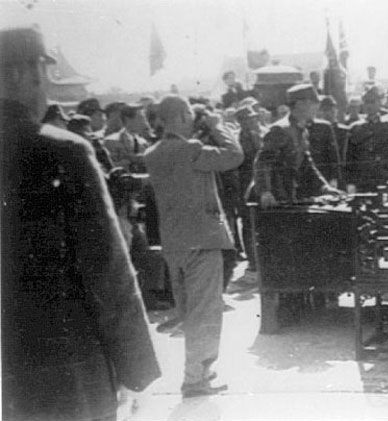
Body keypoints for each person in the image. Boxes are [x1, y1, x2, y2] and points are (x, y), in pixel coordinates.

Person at [1, 26, 160, 421]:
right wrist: (134, 371)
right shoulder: (62, 150)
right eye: (45, 73)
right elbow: (108, 272)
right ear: (21, 74)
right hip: (60, 373)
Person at [145, 95, 243, 398]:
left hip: (174, 243)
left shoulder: (153, 152)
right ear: (183, 116)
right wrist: (220, 126)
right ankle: (195, 378)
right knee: (206, 311)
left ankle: (198, 370)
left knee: (189, 311)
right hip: (202, 240)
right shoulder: (190, 149)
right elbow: (234, 155)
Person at [253, 84, 341, 207]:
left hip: (289, 198)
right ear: (300, 104)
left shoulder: (302, 130)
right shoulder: (280, 130)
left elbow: (307, 163)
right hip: (272, 202)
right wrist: (265, 192)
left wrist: (324, 187)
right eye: (314, 102)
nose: (318, 107)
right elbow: (262, 162)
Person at [345, 85, 388, 193]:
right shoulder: (355, 127)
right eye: (366, 102)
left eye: (373, 102)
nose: (369, 105)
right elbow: (349, 159)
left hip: (385, 180)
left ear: (380, 103)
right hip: (363, 182)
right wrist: (350, 183)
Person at [235, 105, 266, 270]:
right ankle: (253, 260)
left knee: (262, 221)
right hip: (243, 186)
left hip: (260, 184)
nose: (254, 120)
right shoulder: (237, 140)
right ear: (241, 122)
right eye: (250, 118)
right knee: (247, 223)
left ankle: (262, 258)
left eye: (254, 117)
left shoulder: (262, 134)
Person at [104, 103, 150, 172]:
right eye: (140, 118)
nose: (144, 122)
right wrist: (133, 159)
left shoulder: (144, 143)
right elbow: (111, 166)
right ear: (128, 119)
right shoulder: (111, 141)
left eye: (144, 118)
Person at [307, 96, 342, 187]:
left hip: (324, 174)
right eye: (323, 110)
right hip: (306, 175)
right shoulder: (304, 125)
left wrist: (334, 178)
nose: (326, 113)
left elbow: (333, 156)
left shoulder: (325, 127)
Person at [318, 95, 350, 179]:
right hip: (322, 174)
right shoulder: (316, 131)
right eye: (325, 110)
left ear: (336, 111)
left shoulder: (344, 131)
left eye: (331, 110)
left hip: (341, 174)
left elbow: (347, 157)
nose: (328, 114)